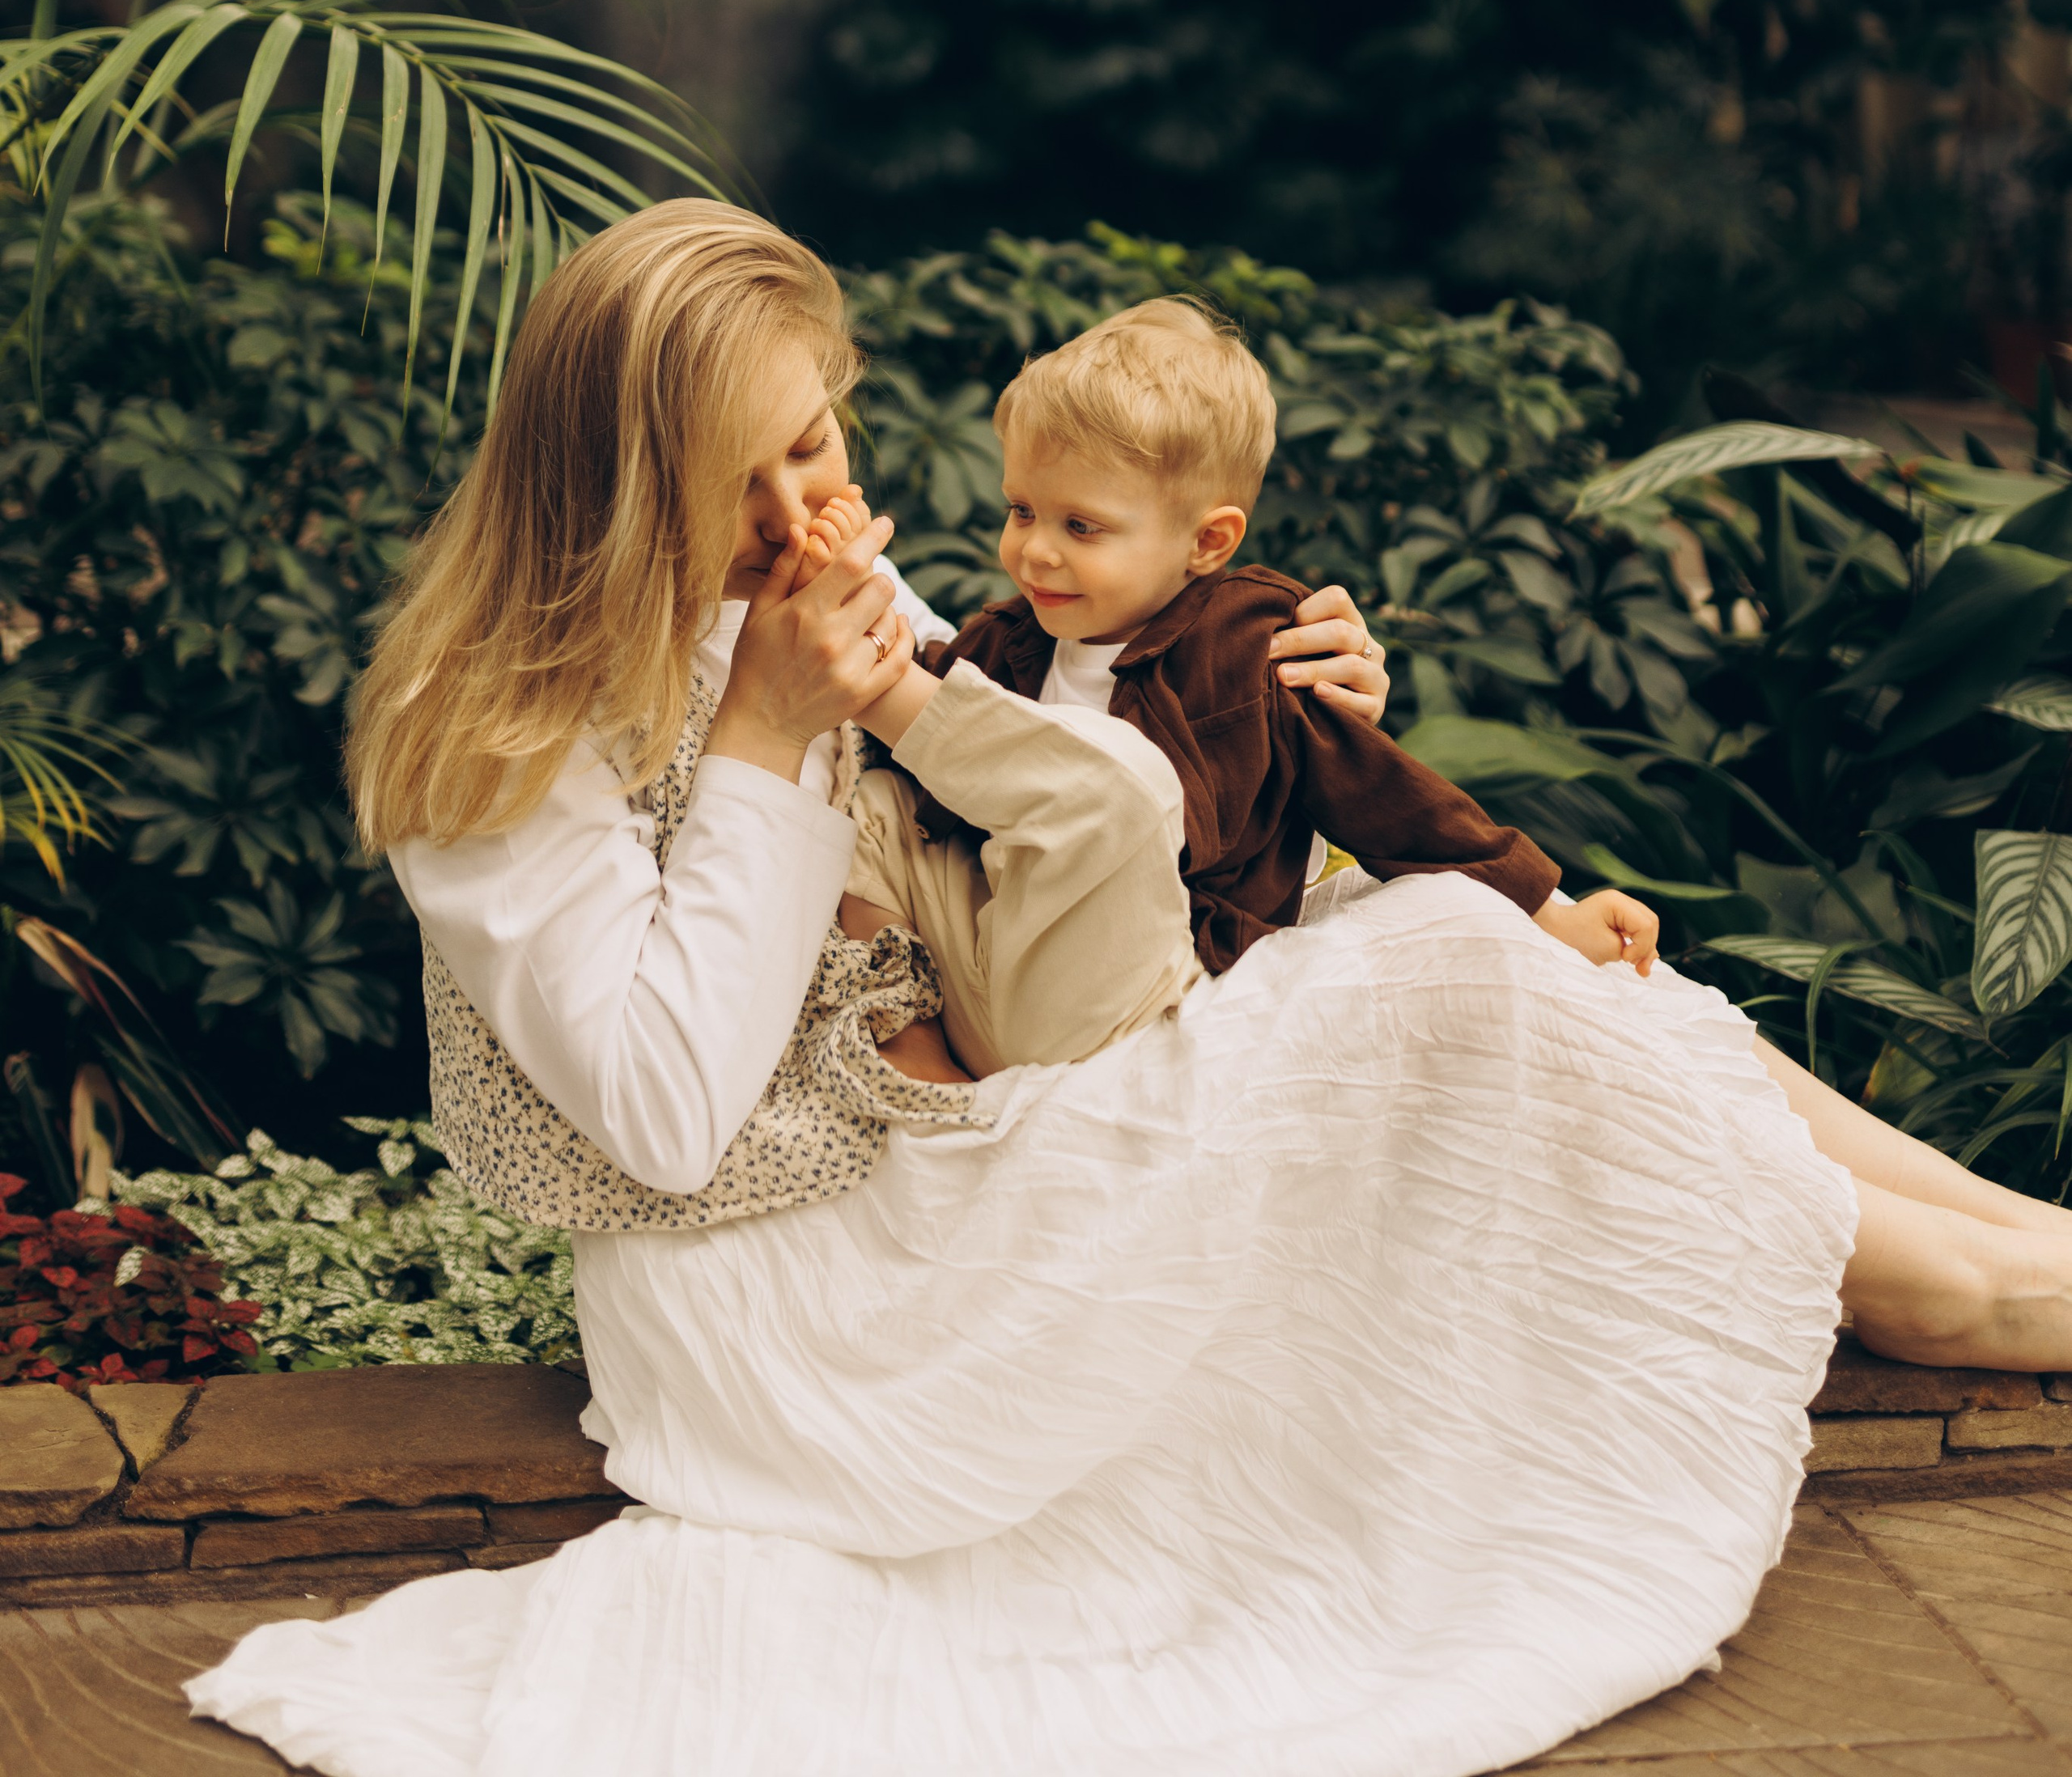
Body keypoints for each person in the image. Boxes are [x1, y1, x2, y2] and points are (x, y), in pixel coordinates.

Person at [188, 202, 2072, 1777]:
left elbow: (1078, 775)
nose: (795, 511)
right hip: (805, 1305)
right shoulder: (494, 738)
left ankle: (1988, 1236)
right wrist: (765, 735)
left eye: (815, 448)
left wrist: (1290, 709)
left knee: (1463, 943)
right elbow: (664, 1117)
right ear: (613, 491)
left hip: (997, 1137)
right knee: (1447, 961)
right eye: (732, 481)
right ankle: (1947, 1285)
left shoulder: (811, 597)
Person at [831, 298, 1660, 1085]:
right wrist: (847, 601)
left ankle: (975, 1048)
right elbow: (936, 711)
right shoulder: (1009, 639)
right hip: (996, 973)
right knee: (872, 803)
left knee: (1114, 784)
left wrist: (1549, 912)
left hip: (1130, 989)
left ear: (1208, 541)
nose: (1036, 551)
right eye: (1021, 511)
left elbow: (1386, 796)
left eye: (1080, 526)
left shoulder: (1249, 647)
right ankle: (907, 1030)